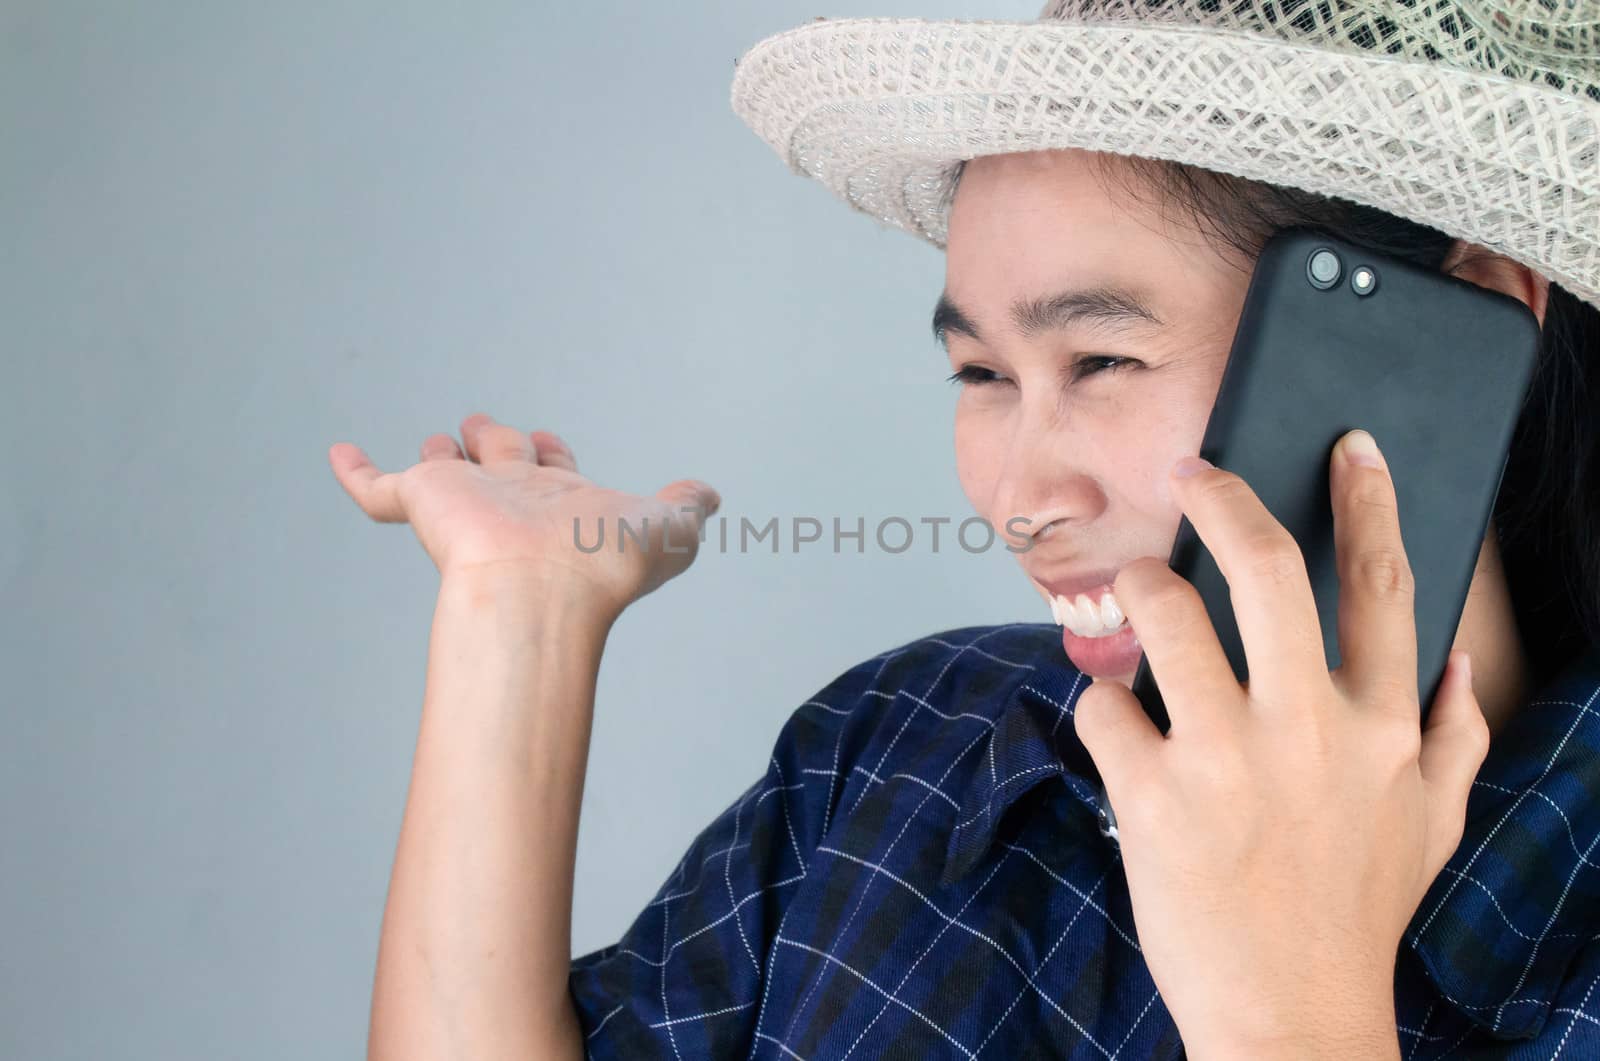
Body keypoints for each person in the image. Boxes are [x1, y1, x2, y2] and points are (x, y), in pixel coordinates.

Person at [332, 2, 1600, 1057]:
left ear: (1460, 317)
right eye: (981, 374)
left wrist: (1295, 1004)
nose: (1017, 496)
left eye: (1099, 358)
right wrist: (519, 615)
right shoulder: (905, 751)